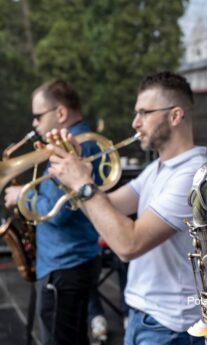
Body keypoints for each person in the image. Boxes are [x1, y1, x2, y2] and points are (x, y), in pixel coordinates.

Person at [47, 71, 207, 345]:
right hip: (145, 317)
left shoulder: (194, 176)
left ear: (175, 116)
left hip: (171, 327)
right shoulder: (157, 169)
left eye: (144, 112)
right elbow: (109, 205)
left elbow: (129, 244)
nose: (135, 122)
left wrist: (82, 185)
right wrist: (71, 171)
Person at [4, 79, 102, 345]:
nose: (34, 124)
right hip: (70, 262)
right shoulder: (76, 142)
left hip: (63, 265)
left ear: (60, 113)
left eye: (38, 116)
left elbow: (55, 213)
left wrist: (22, 195)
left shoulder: (71, 147)